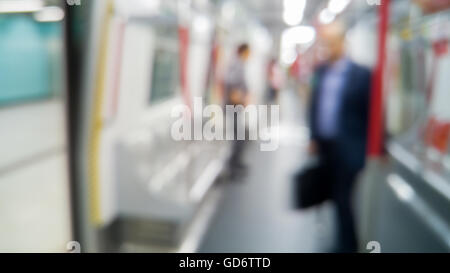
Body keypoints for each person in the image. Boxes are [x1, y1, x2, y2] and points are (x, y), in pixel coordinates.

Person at [308, 21, 371, 252]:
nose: (329, 47)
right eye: (326, 43)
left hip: (349, 147)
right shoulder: (321, 71)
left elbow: (371, 113)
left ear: (343, 42)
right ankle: (341, 240)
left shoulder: (361, 75)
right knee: (332, 195)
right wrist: (313, 136)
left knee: (344, 198)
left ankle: (348, 246)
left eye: (332, 42)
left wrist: (378, 146)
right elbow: (314, 105)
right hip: (326, 145)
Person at [224, 43, 251, 176]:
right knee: (239, 136)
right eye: (248, 52)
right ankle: (232, 166)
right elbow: (232, 84)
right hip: (233, 106)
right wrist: (240, 99)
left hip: (236, 106)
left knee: (241, 135)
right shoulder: (236, 64)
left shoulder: (240, 64)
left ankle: (236, 162)